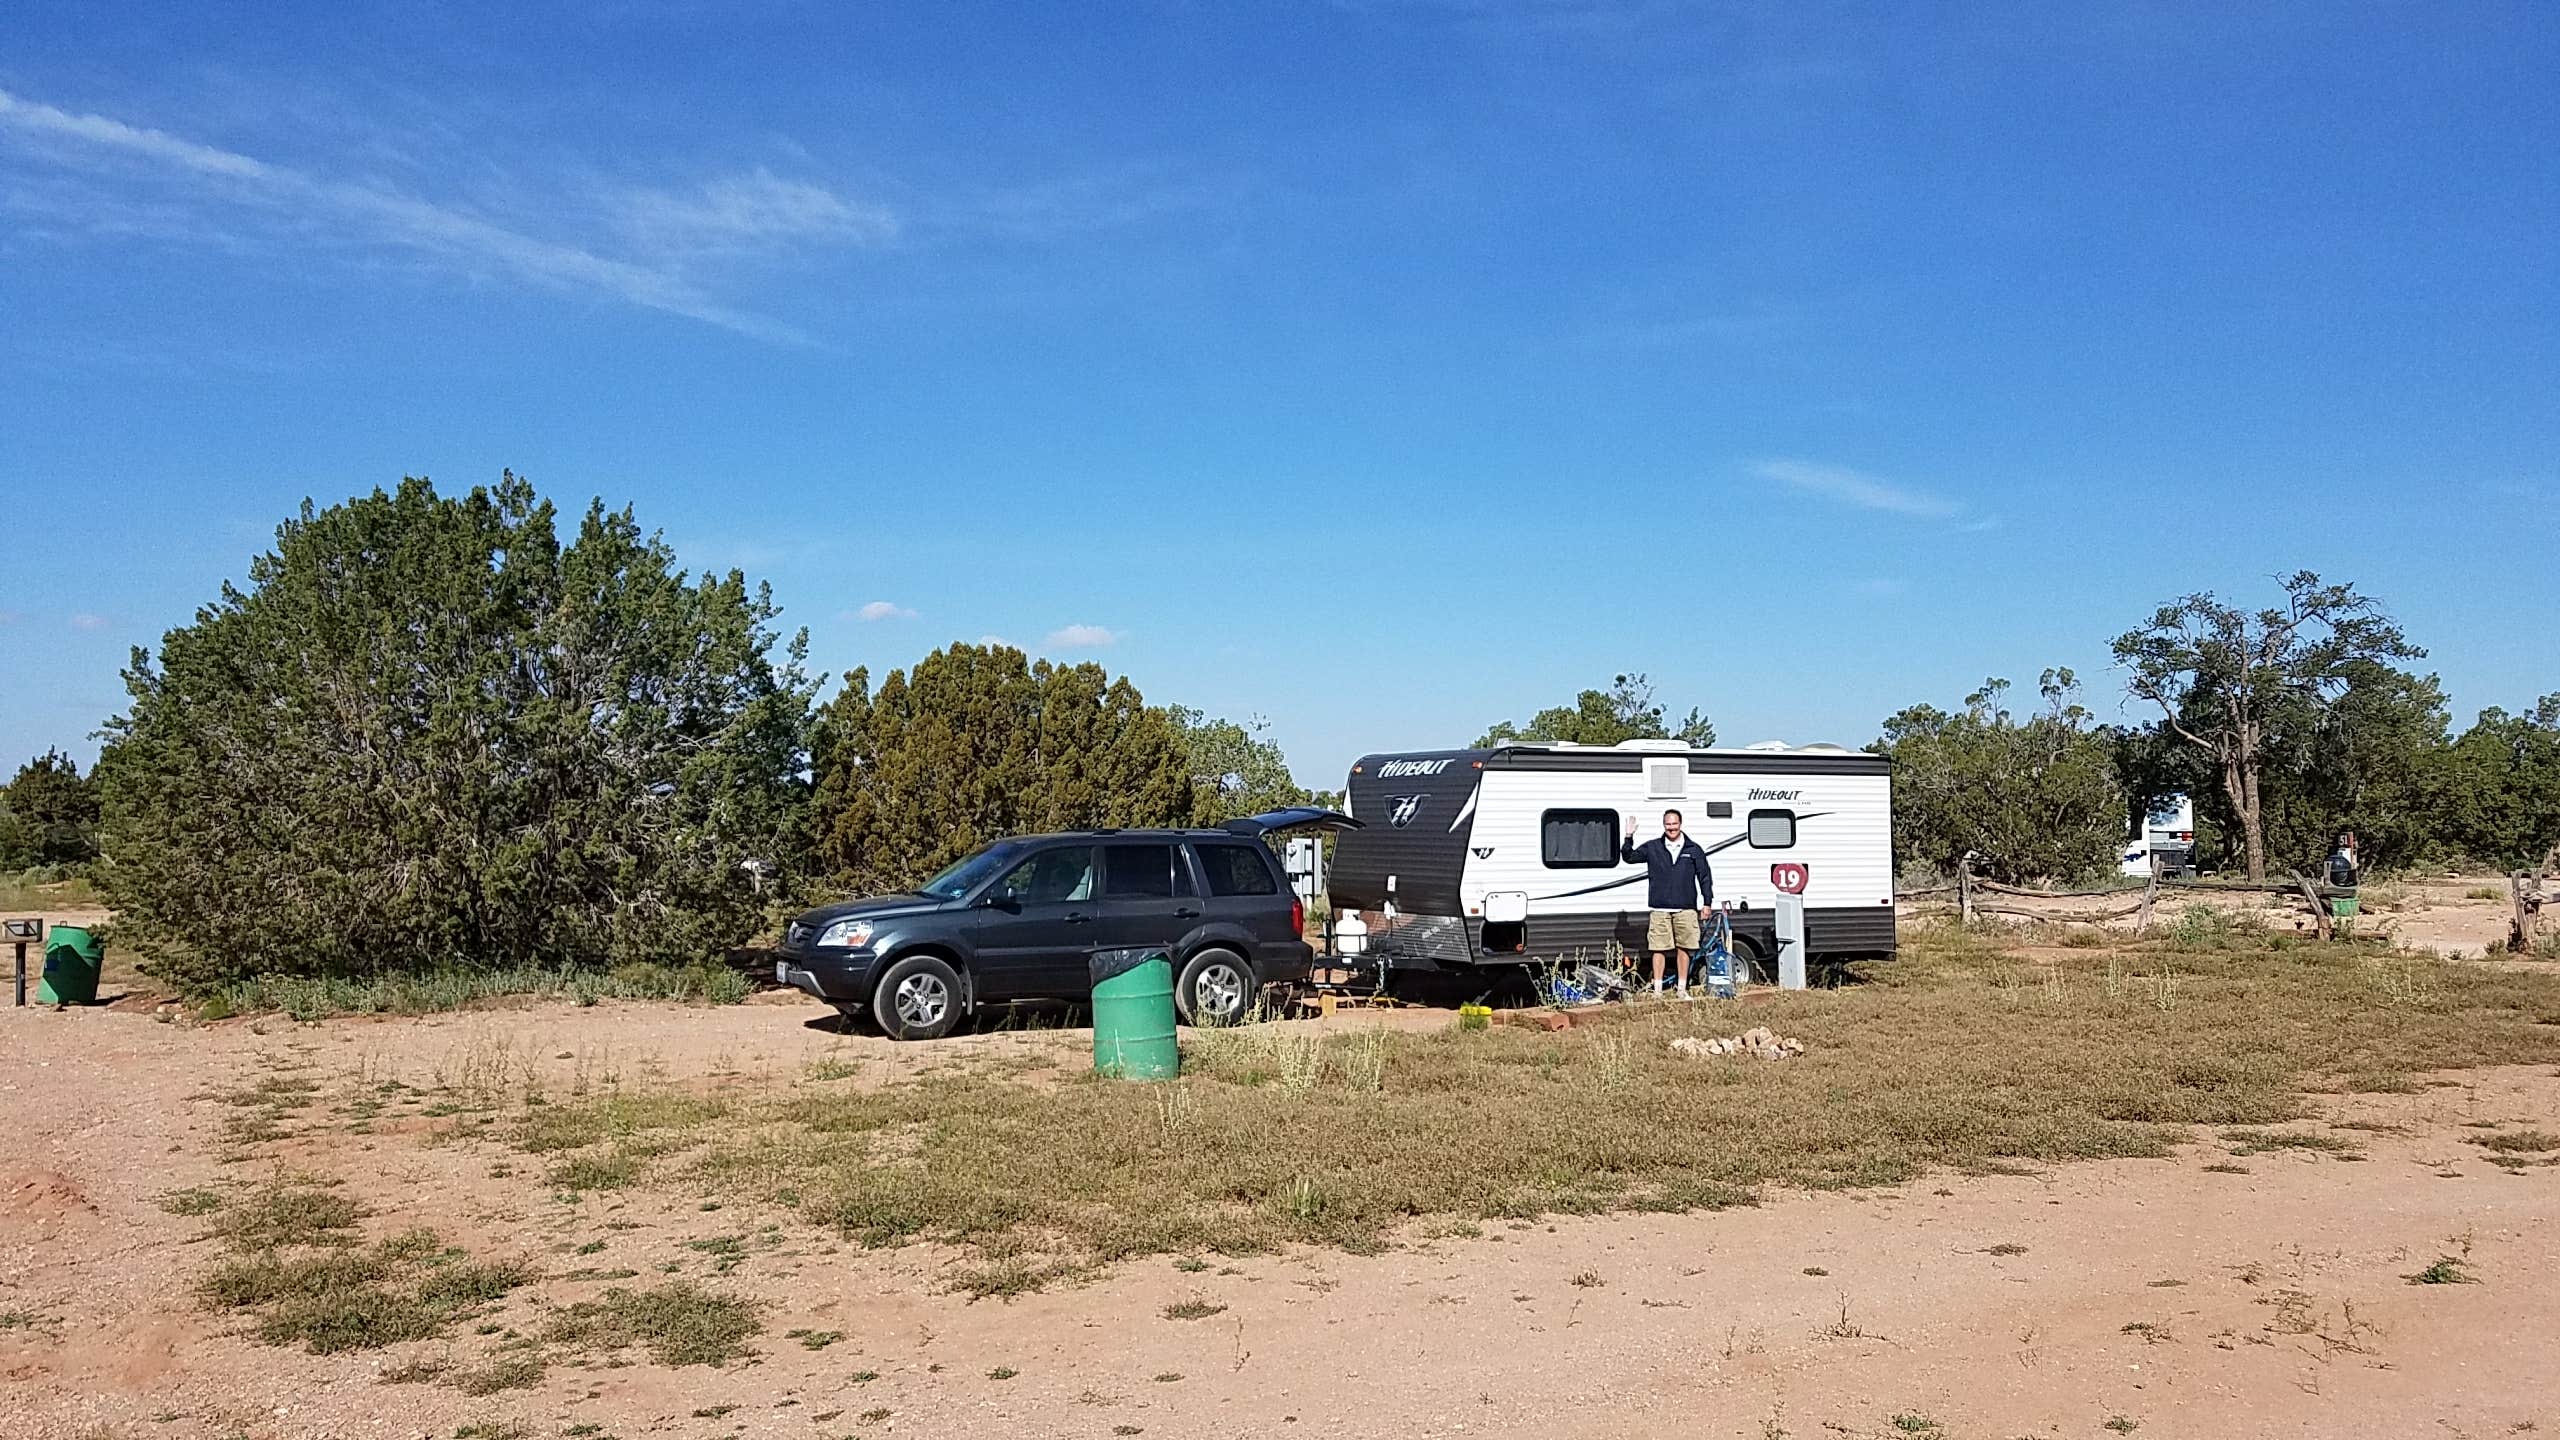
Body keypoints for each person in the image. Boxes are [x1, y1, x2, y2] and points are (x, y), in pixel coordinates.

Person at [1622, 809, 1715, 997]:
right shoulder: (1653, 847)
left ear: (1680, 824)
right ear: (1664, 825)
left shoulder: (1693, 849)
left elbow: (1705, 877)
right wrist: (1628, 836)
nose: (1671, 828)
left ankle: (1681, 989)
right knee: (1658, 949)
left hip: (1686, 908)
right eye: (1668, 824)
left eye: (1674, 824)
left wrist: (1707, 902)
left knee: (1684, 949)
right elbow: (1629, 857)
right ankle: (1657, 991)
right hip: (1659, 908)